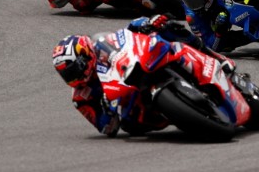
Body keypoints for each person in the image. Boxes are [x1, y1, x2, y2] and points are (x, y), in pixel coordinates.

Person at [52, 13, 235, 137]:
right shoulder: (81, 97)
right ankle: (184, 113)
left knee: (169, 28)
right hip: (134, 110)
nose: (74, 78)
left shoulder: (101, 47)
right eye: (67, 75)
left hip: (140, 67)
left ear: (85, 55)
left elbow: (125, 36)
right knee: (130, 125)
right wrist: (108, 109)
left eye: (74, 70)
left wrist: (145, 24)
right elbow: (107, 128)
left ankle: (216, 57)